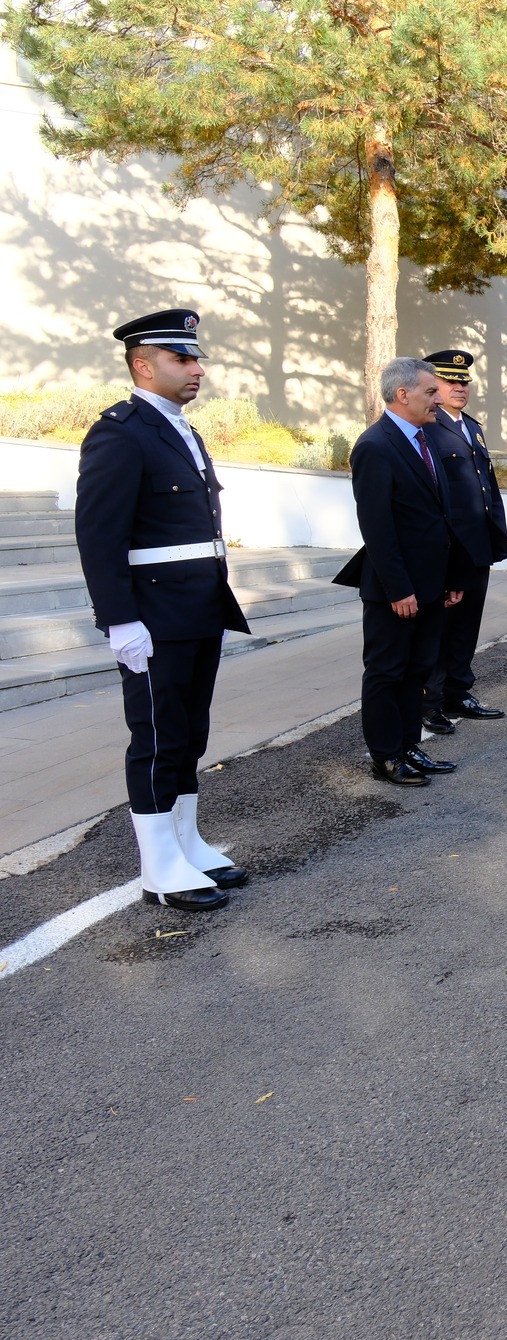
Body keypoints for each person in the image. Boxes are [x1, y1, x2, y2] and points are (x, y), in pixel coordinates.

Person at [74, 309, 250, 911]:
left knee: (188, 733)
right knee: (154, 737)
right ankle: (158, 869)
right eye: (183, 359)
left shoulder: (178, 428)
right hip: (153, 616)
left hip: (198, 607)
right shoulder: (120, 432)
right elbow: (99, 535)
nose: (197, 369)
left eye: (196, 358)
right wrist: (118, 620)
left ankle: (186, 842)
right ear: (144, 366)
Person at [335, 358, 469, 788]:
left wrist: (452, 577)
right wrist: (399, 588)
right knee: (387, 672)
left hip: (430, 583)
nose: (438, 398)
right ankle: (386, 756)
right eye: (431, 392)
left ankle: (410, 745)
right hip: (397, 589)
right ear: (402, 395)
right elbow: (377, 527)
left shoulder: (422, 439)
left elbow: (439, 516)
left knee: (416, 670)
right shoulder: (375, 445)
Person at [421, 348, 507, 732]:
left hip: (477, 543)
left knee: (467, 624)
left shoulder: (472, 426)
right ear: (434, 385)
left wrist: (496, 532)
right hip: (449, 545)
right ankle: (430, 701)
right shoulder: (428, 428)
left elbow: (487, 485)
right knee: (441, 627)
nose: (459, 387)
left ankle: (458, 692)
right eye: (450, 381)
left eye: (464, 381)